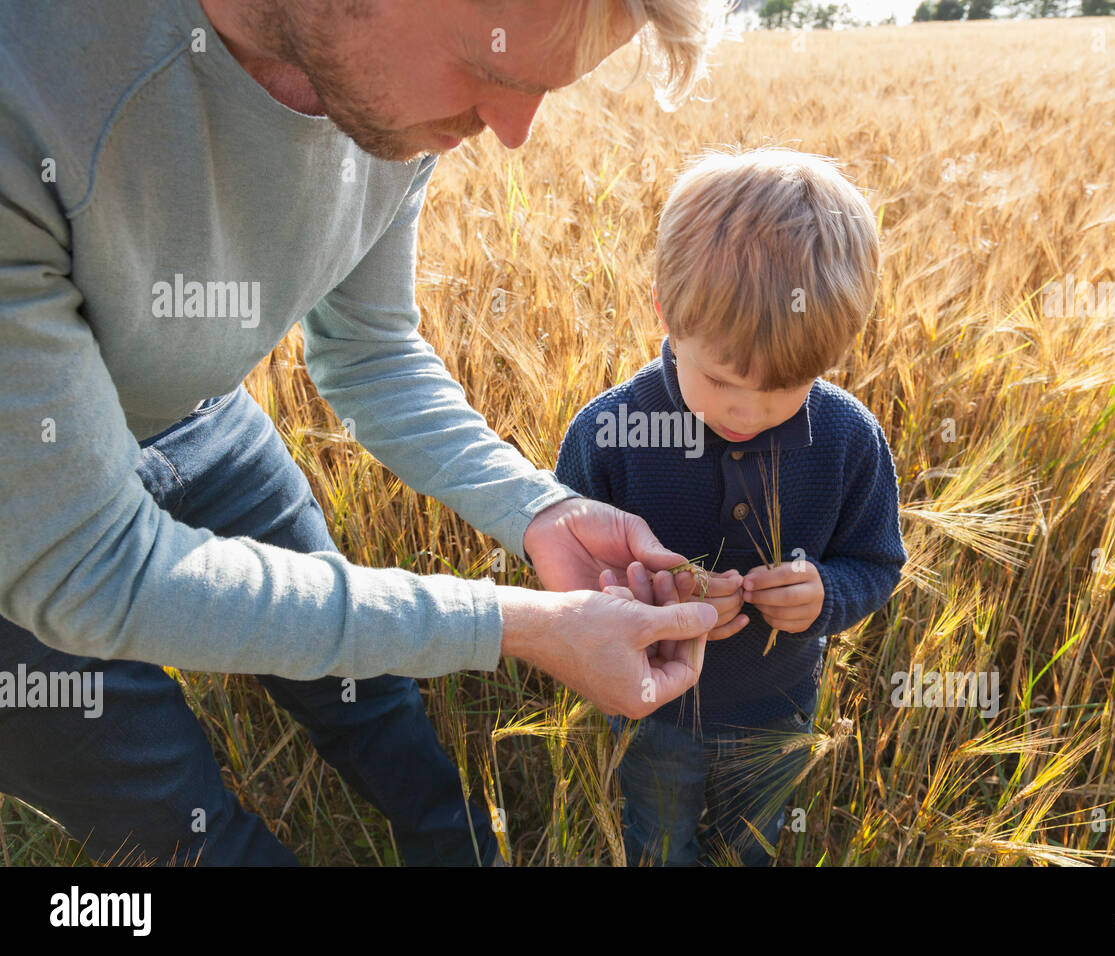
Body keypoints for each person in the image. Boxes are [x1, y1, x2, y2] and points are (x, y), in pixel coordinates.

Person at [0, 0, 731, 866]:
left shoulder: (391, 104)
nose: (513, 131)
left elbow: (371, 353)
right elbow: (86, 565)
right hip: (30, 532)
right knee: (184, 827)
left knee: (370, 702)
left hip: (203, 422)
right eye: (494, 72)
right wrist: (519, 625)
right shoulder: (30, 83)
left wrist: (538, 512)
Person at [555, 146, 909, 865]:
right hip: (653, 710)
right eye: (720, 379)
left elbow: (877, 563)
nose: (749, 409)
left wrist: (825, 594)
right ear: (666, 313)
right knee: (657, 845)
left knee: (751, 848)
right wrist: (654, 604)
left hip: (778, 713)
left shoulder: (848, 439)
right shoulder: (609, 432)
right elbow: (571, 573)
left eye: (786, 387)